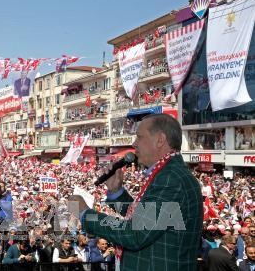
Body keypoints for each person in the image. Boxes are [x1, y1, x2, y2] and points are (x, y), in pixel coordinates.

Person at [71, 113, 203, 270]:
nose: (134, 144)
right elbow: (146, 219)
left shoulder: (170, 178)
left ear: (160, 140)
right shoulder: (169, 173)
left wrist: (85, 214)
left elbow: (135, 233)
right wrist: (116, 192)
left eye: (139, 137)